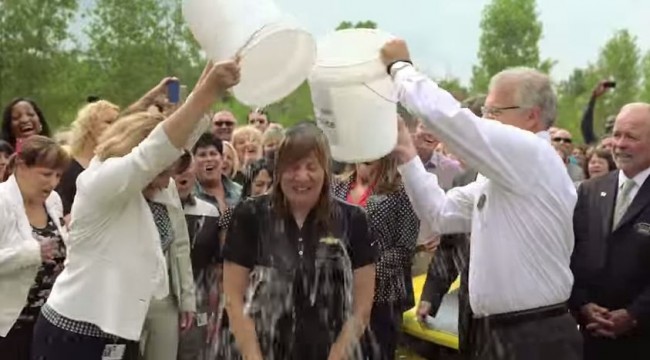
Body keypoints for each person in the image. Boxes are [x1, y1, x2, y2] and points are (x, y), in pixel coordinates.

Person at [382, 39, 582, 359]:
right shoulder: (503, 176)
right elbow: (441, 214)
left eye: (493, 111)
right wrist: (406, 154)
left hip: (533, 337)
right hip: (493, 332)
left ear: (532, 117)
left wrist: (400, 68)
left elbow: (453, 122)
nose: (484, 119)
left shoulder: (533, 154)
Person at [30, 59, 241, 360]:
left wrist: (211, 75)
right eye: (162, 172)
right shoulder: (101, 182)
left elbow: (181, 139)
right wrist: (209, 90)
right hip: (74, 336)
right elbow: (154, 152)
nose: (167, 182)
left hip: (118, 337)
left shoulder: (148, 186)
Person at [222, 122, 377, 360]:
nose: (301, 176)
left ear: (325, 170)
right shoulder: (250, 215)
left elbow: (362, 307)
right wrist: (253, 356)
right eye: (292, 167)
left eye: (311, 167)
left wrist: (338, 354)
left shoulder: (353, 220)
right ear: (278, 170)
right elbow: (233, 297)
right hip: (262, 348)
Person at [570, 103, 650, 359]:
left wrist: (634, 315)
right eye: (616, 135)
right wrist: (582, 304)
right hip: (590, 337)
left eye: (632, 137)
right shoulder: (589, 190)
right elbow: (571, 252)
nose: (620, 144)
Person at [0, 136, 69, 360]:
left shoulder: (54, 200)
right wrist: (32, 253)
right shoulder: (2, 201)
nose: (53, 183)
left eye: (58, 175)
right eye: (46, 174)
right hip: (9, 327)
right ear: (21, 167)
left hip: (48, 323)